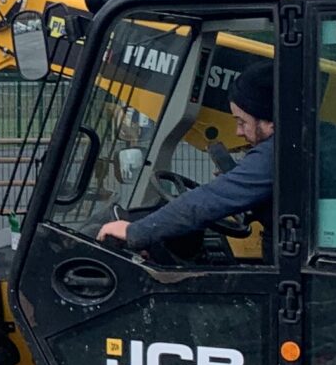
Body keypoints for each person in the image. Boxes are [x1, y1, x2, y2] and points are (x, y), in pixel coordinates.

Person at [97, 57, 276, 253]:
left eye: (242, 122)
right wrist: (238, 180)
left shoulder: (273, 155)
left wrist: (135, 231)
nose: (238, 132)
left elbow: (209, 200)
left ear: (270, 121)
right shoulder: (285, 151)